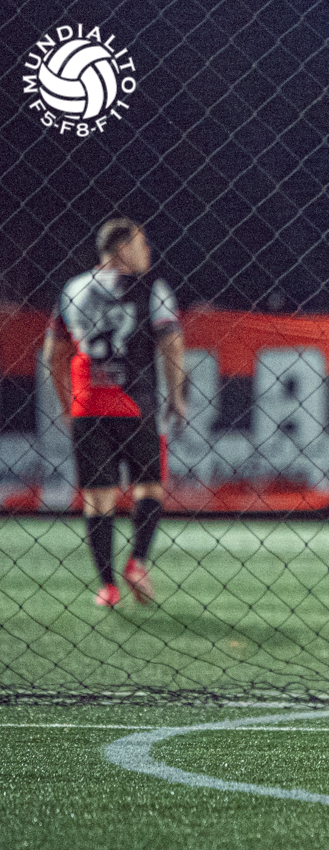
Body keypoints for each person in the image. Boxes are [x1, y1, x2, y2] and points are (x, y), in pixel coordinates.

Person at [44, 218, 187, 607]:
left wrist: (66, 405)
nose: (148, 251)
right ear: (122, 248)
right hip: (135, 403)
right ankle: (137, 561)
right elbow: (171, 343)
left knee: (97, 499)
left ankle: (107, 588)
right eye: (142, 243)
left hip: (89, 404)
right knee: (150, 487)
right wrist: (176, 395)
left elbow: (54, 355)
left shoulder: (73, 288)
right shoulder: (152, 288)